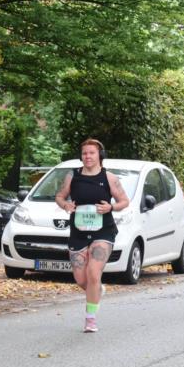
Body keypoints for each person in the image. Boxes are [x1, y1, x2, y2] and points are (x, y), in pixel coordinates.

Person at [54, 138, 130, 332]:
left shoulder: (109, 178)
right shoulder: (73, 176)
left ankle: (90, 319)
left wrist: (110, 207)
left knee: (93, 273)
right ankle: (97, 290)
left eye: (91, 153)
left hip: (103, 232)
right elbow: (60, 197)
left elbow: (124, 201)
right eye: (84, 153)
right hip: (78, 232)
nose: (87, 156)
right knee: (81, 279)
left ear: (99, 156)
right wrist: (66, 205)